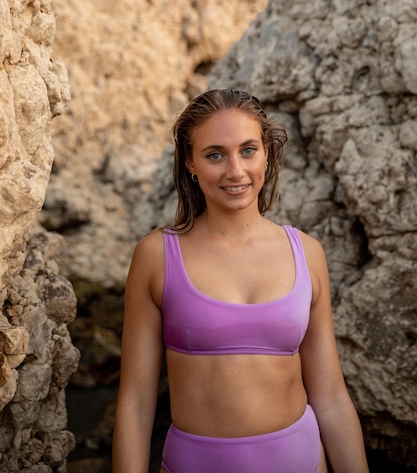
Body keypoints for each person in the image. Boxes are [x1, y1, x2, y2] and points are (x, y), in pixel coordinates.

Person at [112, 88, 369, 473]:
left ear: (266, 152)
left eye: (248, 150)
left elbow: (330, 396)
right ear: (190, 162)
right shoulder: (157, 256)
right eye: (215, 154)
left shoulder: (307, 253)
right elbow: (136, 402)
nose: (235, 170)